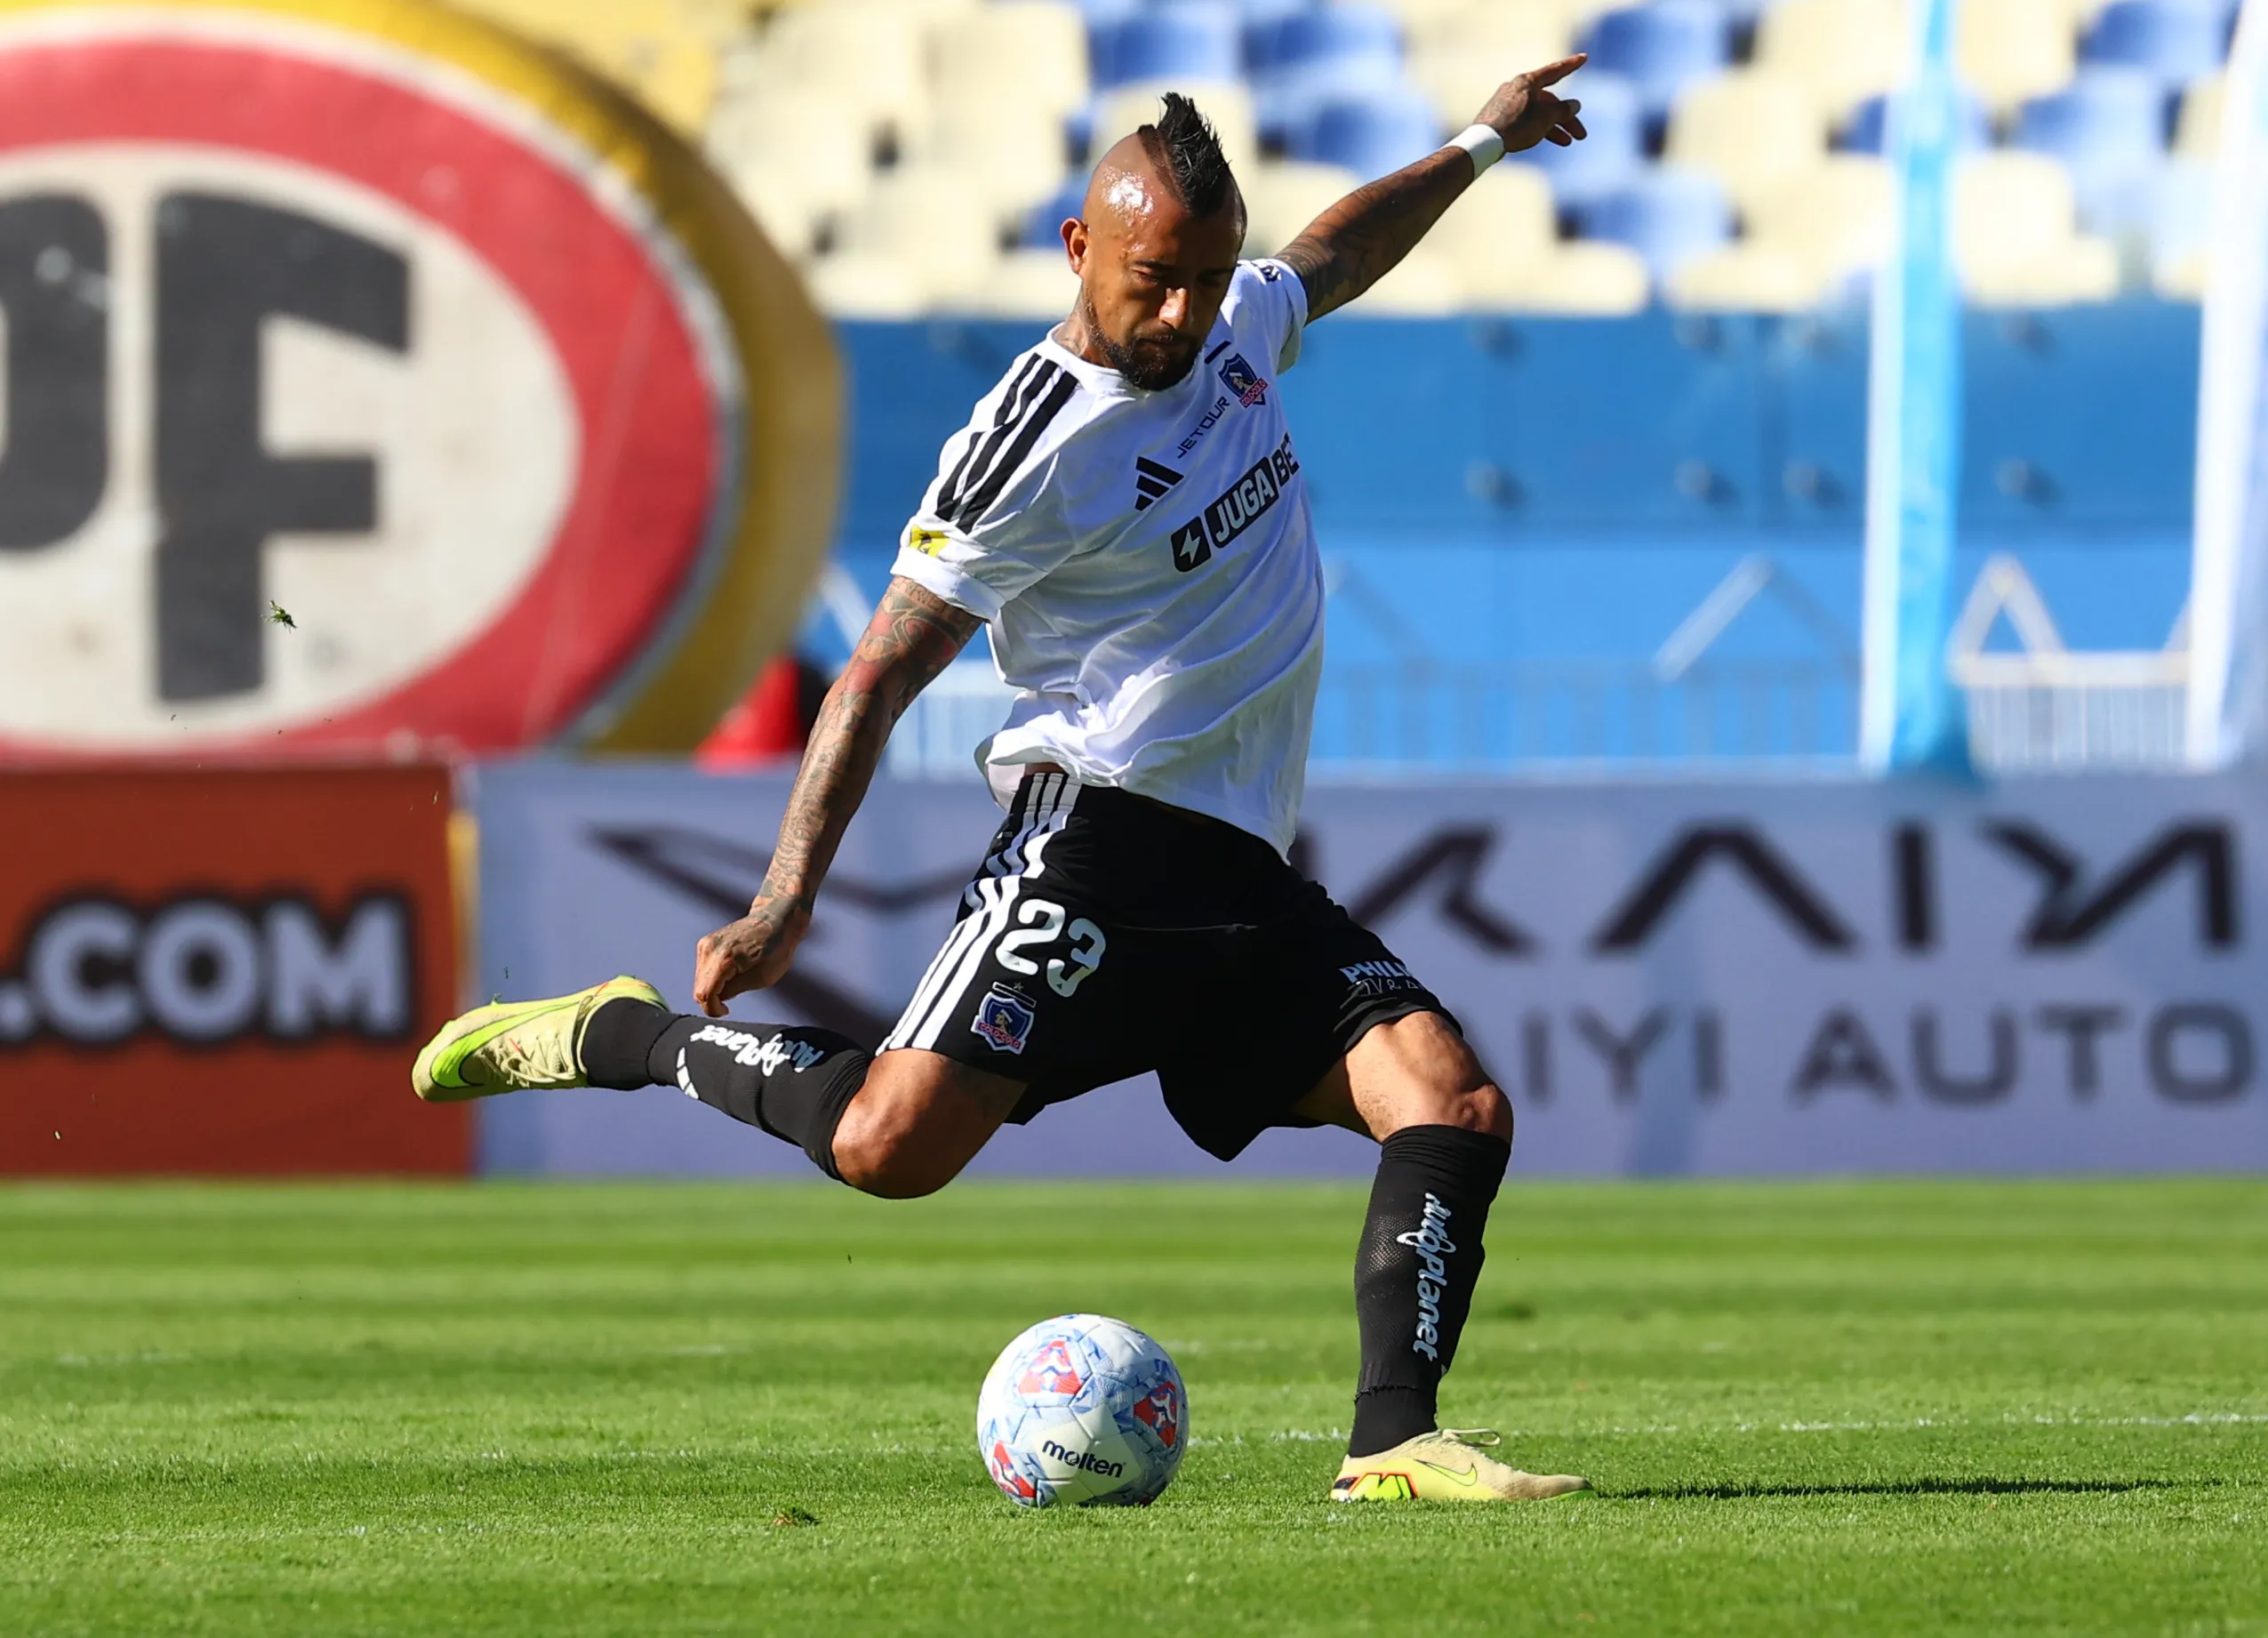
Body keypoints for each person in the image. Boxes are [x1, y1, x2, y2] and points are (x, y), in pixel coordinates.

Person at [414, 60, 1596, 1504]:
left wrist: (1483, 141)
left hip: (1237, 871)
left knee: (1453, 1106)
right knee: (885, 1150)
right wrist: (784, 900)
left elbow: (1331, 253)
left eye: (1210, 281)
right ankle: (625, 1037)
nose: (1184, 314)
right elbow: (875, 675)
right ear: (1079, 249)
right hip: (1091, 843)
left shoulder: (1230, 330)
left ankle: (1392, 1444)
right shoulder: (1026, 447)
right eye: (1157, 280)